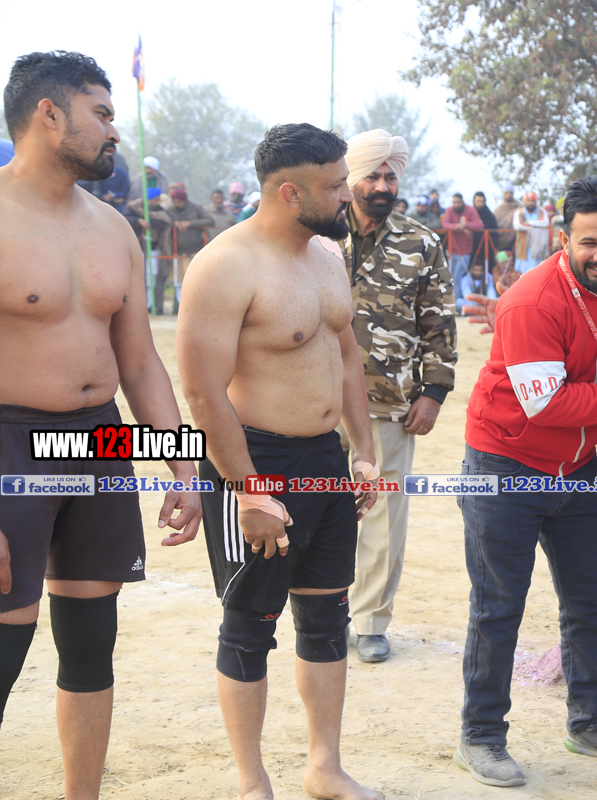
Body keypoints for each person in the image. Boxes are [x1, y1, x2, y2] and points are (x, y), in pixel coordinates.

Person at [0, 49, 201, 798]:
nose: (116, 132)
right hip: (8, 444)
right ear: (48, 114)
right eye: (103, 115)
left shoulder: (114, 228)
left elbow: (141, 363)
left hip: (98, 438)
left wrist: (183, 465)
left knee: (92, 645)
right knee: (5, 641)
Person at [177, 123, 382, 800]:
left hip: (325, 458)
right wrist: (248, 490)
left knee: (327, 619)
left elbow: (345, 356)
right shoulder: (224, 265)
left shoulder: (327, 255)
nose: (349, 195)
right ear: (290, 193)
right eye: (335, 185)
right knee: (249, 625)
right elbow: (203, 393)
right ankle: (251, 782)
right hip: (256, 459)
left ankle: (324, 768)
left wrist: (364, 452)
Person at [455, 176, 597, 788]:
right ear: (563, 239)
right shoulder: (531, 300)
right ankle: (481, 736)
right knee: (498, 608)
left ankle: (591, 722)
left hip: (580, 468)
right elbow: (545, 404)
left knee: (591, 599)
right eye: (589, 242)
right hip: (505, 467)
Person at [338, 130, 456, 662]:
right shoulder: (314, 235)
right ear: (350, 179)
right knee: (319, 508)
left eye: (391, 176)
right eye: (373, 175)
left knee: (383, 516)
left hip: (388, 402)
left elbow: (439, 325)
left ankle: (370, 623)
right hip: (313, 402)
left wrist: (433, 393)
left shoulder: (421, 243)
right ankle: (322, 613)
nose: (383, 186)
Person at [163, 188, 215, 315]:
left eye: (179, 202)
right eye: (174, 202)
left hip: (194, 250)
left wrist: (190, 223)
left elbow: (210, 221)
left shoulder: (196, 208)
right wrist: (174, 224)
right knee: (177, 280)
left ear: (185, 200)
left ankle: (195, 307)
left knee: (193, 280)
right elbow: (162, 220)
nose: (177, 204)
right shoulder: (168, 210)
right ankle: (180, 308)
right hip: (176, 251)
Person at [441, 192, 485, 301]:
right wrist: (458, 227)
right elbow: (444, 224)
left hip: (465, 251)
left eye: (458, 202)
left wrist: (466, 224)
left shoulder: (470, 210)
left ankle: (455, 301)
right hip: (451, 251)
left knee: (457, 276)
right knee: (450, 276)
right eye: (454, 202)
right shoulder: (449, 210)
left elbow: (480, 225)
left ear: (462, 202)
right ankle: (452, 299)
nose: (457, 204)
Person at [513, 190, 549, 271]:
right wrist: (536, 226)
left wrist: (528, 223)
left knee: (538, 270)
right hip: (523, 245)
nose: (531, 203)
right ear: (525, 201)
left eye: (533, 201)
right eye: (528, 200)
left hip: (537, 246)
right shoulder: (519, 212)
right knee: (522, 271)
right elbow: (517, 226)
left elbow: (545, 223)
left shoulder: (542, 211)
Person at [472, 190, 498, 268]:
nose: (480, 204)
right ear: (474, 201)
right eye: (478, 201)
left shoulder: (489, 215)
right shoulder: (470, 213)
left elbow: (494, 231)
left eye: (482, 201)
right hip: (472, 246)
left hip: (487, 247)